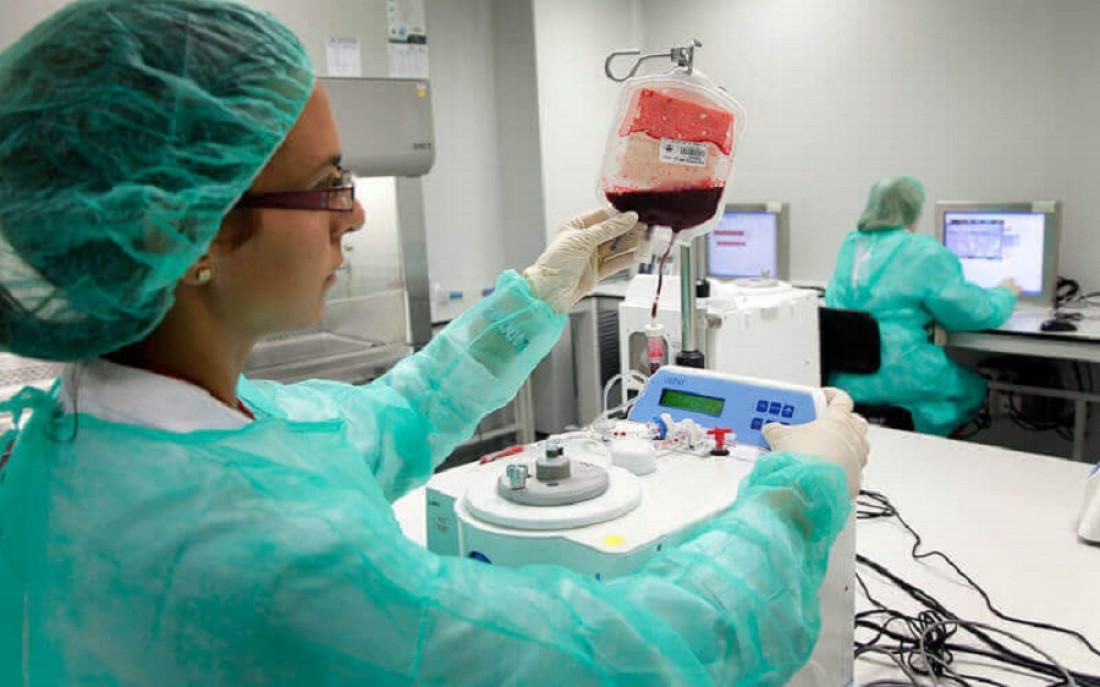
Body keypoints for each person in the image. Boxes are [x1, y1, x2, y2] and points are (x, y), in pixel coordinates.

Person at [0, 1, 869, 684]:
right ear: (176, 235)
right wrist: (799, 501)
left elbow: (386, 420)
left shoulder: (83, 442)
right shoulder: (273, 565)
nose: (357, 214)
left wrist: (536, 295)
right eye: (327, 186)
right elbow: (633, 657)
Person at [825, 176, 1018, 436]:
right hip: (902, 376)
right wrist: (1006, 294)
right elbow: (970, 312)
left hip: (848, 382)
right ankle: (932, 451)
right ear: (913, 210)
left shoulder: (851, 245)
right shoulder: (923, 252)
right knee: (972, 389)